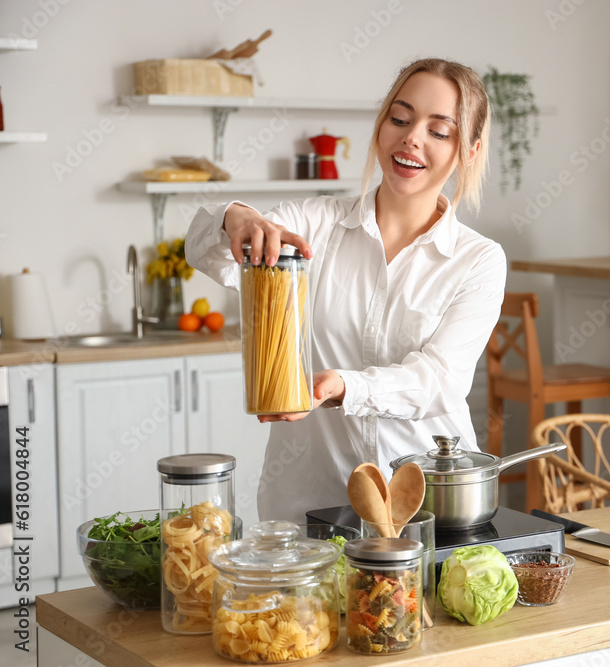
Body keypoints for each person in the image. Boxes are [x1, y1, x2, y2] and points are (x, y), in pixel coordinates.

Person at [185, 58, 506, 523]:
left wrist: (345, 387)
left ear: (469, 151)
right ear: (381, 126)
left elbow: (441, 380)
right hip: (308, 509)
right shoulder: (312, 224)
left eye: (439, 131)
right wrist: (239, 217)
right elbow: (203, 248)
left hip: (422, 510)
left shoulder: (477, 259)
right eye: (400, 118)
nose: (411, 137)